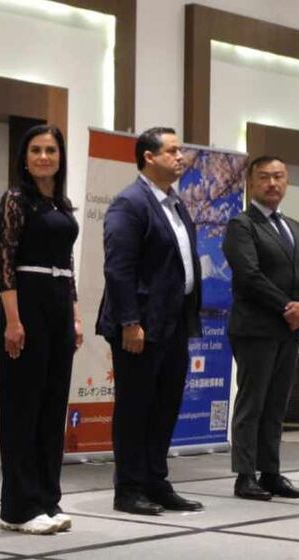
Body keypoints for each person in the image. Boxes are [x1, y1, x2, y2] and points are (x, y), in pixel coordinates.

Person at [96, 127, 204, 516]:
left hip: (173, 323)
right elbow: (118, 267)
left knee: (165, 406)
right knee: (135, 408)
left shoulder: (174, 203)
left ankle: (156, 481)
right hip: (139, 325)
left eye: (180, 151)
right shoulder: (131, 202)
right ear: (149, 157)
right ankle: (128, 488)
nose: (181, 157)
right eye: (172, 151)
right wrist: (129, 321)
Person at [0, 125, 83, 535]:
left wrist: (76, 314)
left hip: (58, 304)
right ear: (24, 157)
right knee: (22, 410)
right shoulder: (15, 199)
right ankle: (19, 507)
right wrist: (13, 320)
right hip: (25, 303)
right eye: (35, 150)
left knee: (51, 410)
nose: (44, 156)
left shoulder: (61, 204)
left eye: (50, 150)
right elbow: (5, 262)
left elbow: (68, 264)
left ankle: (48, 498)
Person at [223, 155, 299, 501]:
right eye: (264, 177)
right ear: (251, 183)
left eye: (278, 177)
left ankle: (271, 472)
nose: (272, 183)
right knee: (252, 401)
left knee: (277, 404)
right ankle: (245, 475)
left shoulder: (297, 228)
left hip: (289, 329)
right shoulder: (241, 225)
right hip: (256, 328)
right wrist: (286, 306)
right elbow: (248, 275)